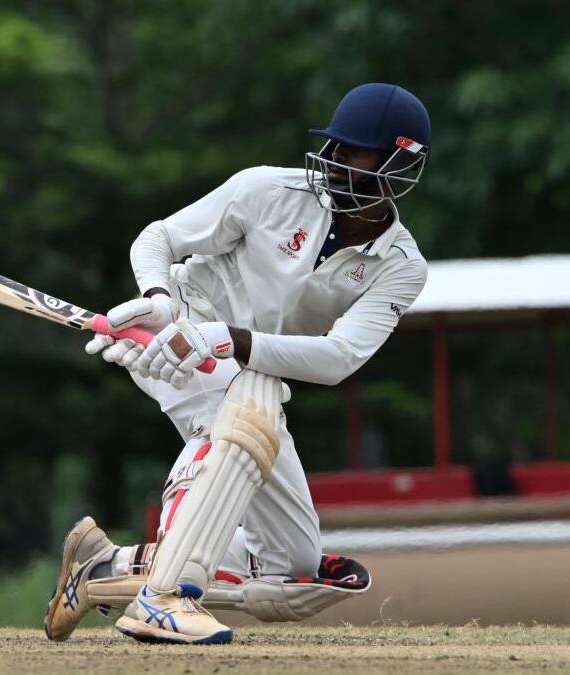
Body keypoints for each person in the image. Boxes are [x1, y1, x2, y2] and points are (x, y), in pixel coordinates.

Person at [44, 83, 431, 644]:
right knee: (238, 415)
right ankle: (164, 598)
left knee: (292, 566)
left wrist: (227, 340)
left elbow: (338, 359)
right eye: (335, 147)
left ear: (399, 163)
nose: (335, 161)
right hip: (175, 334)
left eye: (355, 152)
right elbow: (158, 239)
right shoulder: (266, 189)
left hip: (248, 366)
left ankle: (104, 567)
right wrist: (158, 301)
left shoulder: (400, 266)